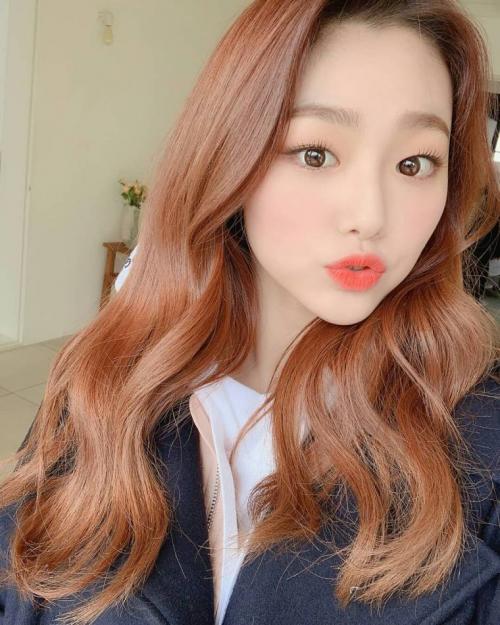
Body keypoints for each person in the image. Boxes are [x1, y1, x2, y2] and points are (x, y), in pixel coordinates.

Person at [1, 1, 499, 624]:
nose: (371, 215)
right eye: (315, 153)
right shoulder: (104, 377)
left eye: (414, 163)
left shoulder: (479, 449)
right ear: (229, 155)